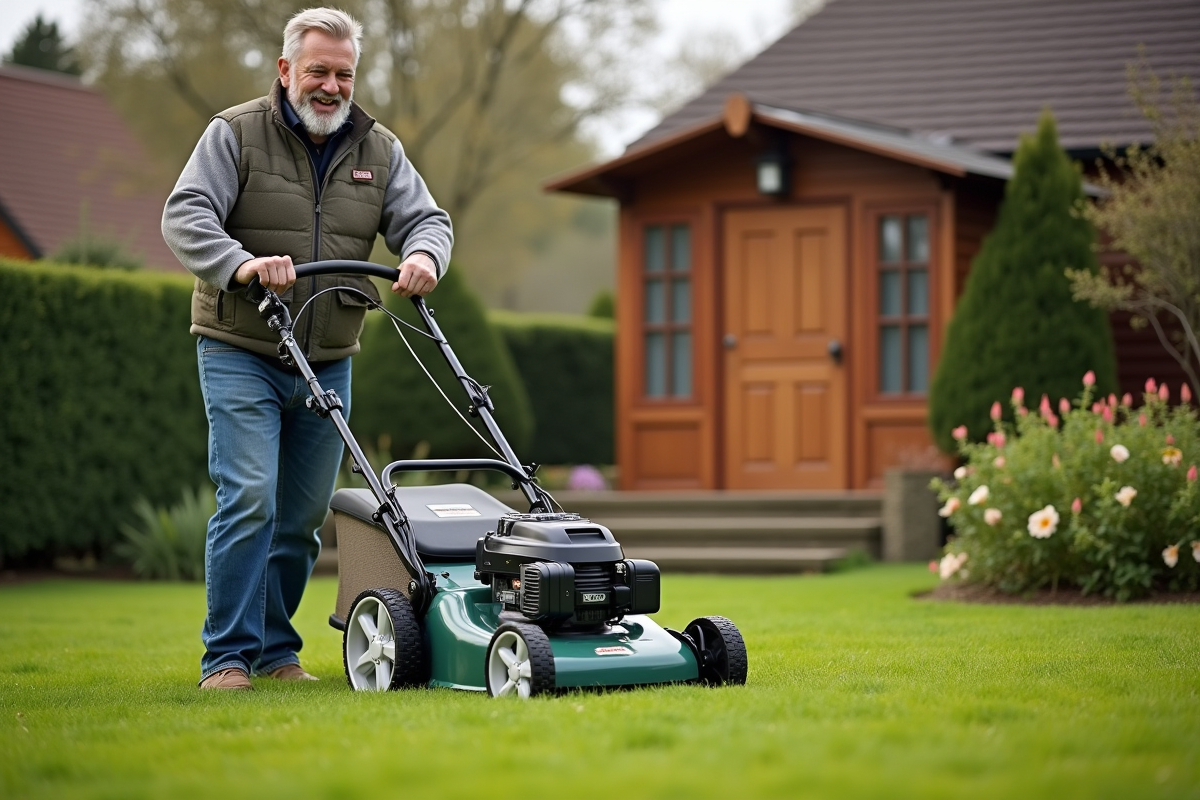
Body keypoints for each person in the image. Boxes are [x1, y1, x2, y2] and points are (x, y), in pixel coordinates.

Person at [162, 7, 452, 690]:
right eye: (318, 70)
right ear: (286, 69)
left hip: (327, 360)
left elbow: (427, 219)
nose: (331, 85)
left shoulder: (379, 150)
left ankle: (274, 650)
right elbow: (185, 212)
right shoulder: (234, 134)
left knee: (299, 518)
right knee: (250, 499)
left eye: (343, 73)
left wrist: (423, 256)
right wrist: (240, 264)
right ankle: (226, 657)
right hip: (241, 347)